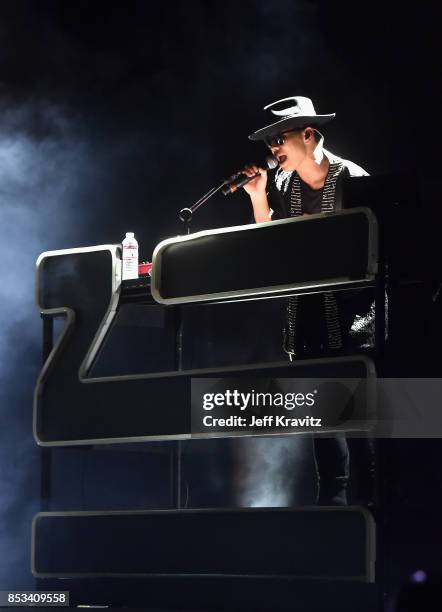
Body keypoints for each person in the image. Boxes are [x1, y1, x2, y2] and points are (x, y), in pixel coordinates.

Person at [241, 95, 374, 506]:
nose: (273, 150)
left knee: (362, 424)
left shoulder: (352, 178)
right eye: (269, 144)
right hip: (309, 318)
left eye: (279, 139)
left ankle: (373, 521)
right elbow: (272, 242)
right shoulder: (284, 184)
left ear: (309, 134)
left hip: (355, 318)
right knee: (325, 428)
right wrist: (257, 195)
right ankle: (331, 520)